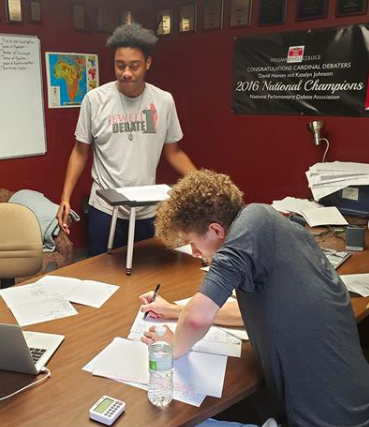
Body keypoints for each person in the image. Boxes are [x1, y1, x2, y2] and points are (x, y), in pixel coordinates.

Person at [139, 169, 369, 426]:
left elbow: (197, 320)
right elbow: (254, 313)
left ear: (216, 230)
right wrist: (175, 310)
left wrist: (172, 348)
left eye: (192, 242)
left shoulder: (244, 236)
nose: (193, 252)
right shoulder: (270, 221)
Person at [56, 23, 197, 257]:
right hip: (105, 208)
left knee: (144, 271)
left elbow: (174, 152)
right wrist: (65, 197)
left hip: (146, 211)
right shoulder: (94, 100)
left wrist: (202, 183)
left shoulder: (163, 101)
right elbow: (80, 151)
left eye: (134, 65)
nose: (126, 73)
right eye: (120, 65)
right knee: (103, 272)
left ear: (148, 63)